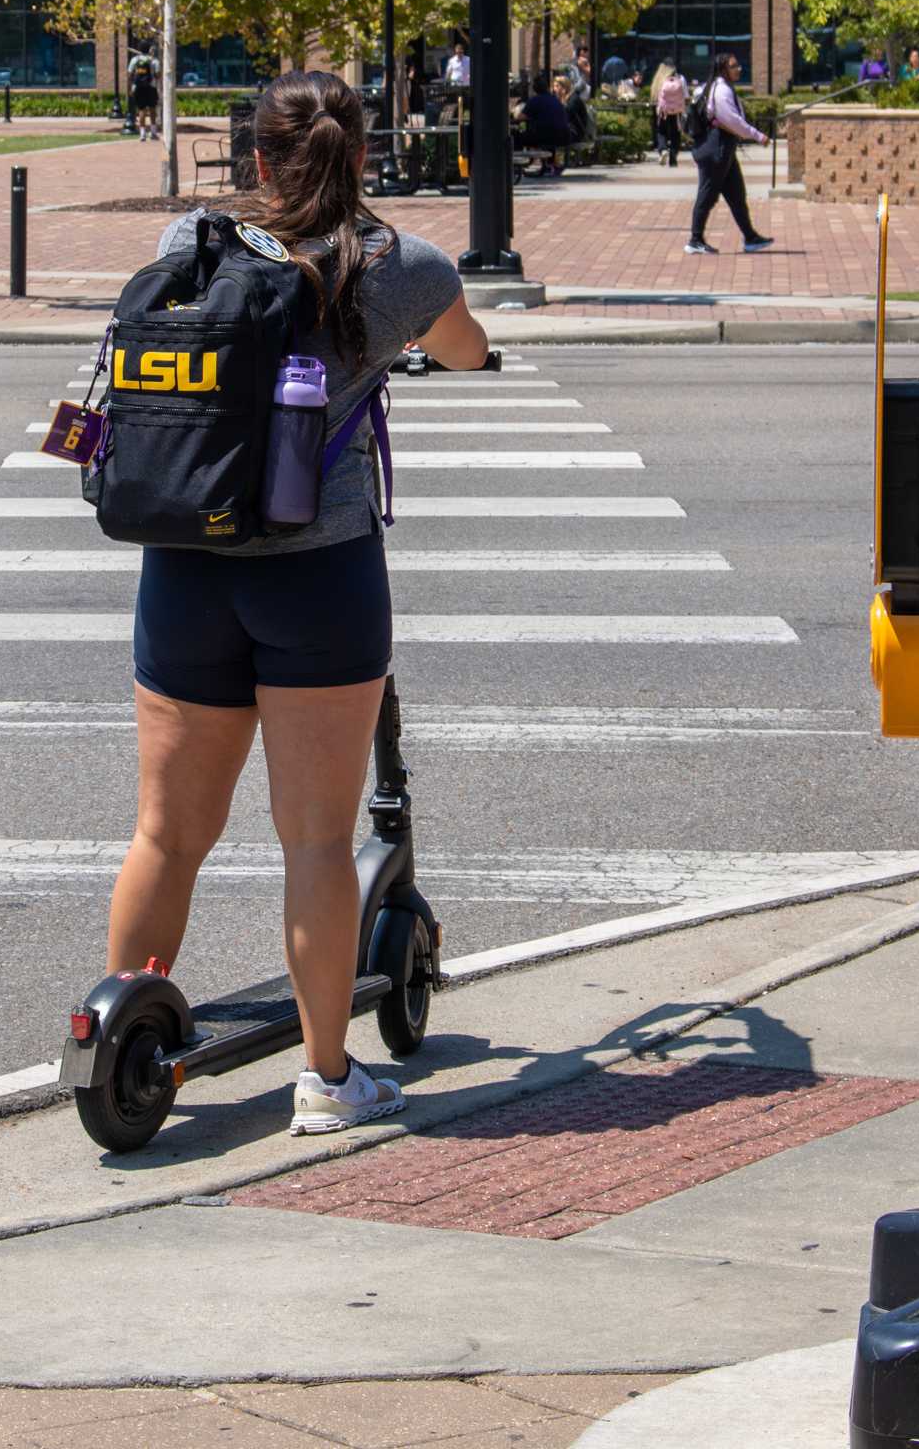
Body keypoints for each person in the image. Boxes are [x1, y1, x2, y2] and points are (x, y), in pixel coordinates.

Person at [107, 71, 491, 1137]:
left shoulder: (194, 241)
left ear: (258, 163)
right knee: (319, 840)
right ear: (361, 158)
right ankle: (327, 1080)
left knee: (166, 833)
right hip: (317, 576)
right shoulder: (397, 269)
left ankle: (115, 1028)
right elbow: (467, 348)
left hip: (185, 562)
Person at [685, 53, 775, 256]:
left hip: (721, 150)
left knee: (736, 194)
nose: (739, 69)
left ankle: (750, 238)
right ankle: (695, 240)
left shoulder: (709, 87)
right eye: (734, 66)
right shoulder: (721, 91)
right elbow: (733, 121)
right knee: (707, 195)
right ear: (724, 69)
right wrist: (758, 136)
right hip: (717, 149)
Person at [522, 71, 572, 173]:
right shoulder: (555, 100)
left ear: (535, 88)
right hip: (563, 136)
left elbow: (519, 117)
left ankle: (518, 164)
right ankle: (550, 164)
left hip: (545, 136)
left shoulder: (535, 100)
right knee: (548, 131)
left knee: (518, 137)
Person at [654, 63, 689, 167]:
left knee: (661, 131)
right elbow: (686, 96)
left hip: (664, 111)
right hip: (677, 111)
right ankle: (673, 159)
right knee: (675, 134)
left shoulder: (661, 79)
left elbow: (656, 95)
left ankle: (663, 149)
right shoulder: (681, 78)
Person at [129, 59, 159, 141]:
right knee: (152, 109)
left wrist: (132, 87)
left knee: (141, 110)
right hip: (151, 87)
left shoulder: (135, 60)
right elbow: (157, 75)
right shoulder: (154, 61)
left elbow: (130, 74)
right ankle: (153, 133)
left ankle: (142, 134)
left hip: (139, 88)